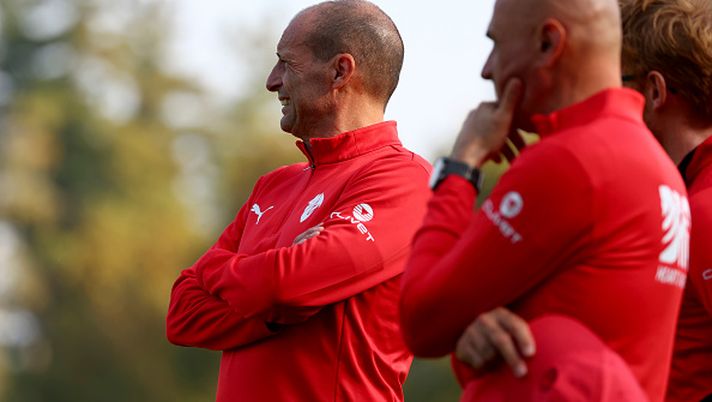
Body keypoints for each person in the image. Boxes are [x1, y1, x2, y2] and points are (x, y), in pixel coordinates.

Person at [398, 0, 689, 400]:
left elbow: (422, 319)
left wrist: (460, 167)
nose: (487, 68)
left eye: (497, 45)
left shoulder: (572, 159)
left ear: (548, 44)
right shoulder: (655, 163)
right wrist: (473, 336)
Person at [165, 1, 431, 401]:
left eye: (286, 63)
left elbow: (285, 288)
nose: (272, 81)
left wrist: (225, 274)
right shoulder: (274, 185)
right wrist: (274, 305)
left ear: (340, 71)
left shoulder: (403, 180)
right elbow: (182, 314)